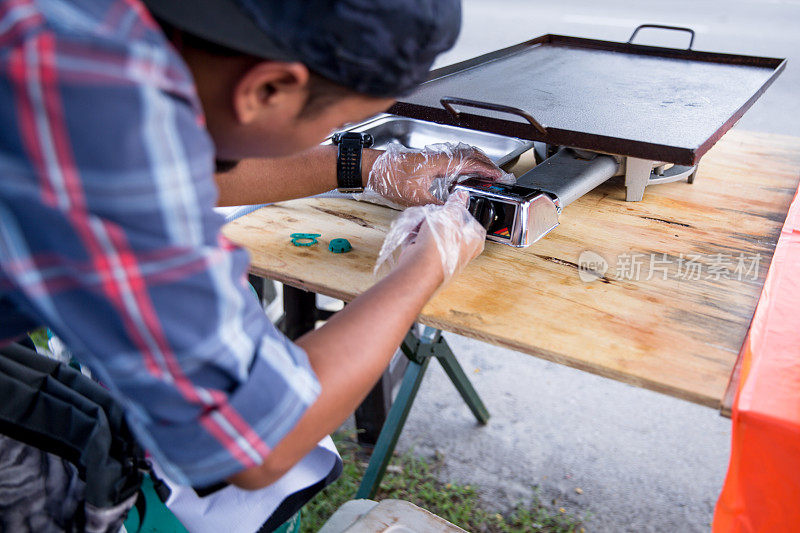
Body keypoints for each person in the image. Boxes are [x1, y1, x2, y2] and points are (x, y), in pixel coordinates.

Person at [0, 0, 504, 529]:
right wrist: (427, 265)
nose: (339, 131)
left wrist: (361, 163)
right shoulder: (107, 134)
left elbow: (182, 170)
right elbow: (261, 443)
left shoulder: (94, 28)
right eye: (342, 121)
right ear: (266, 89)